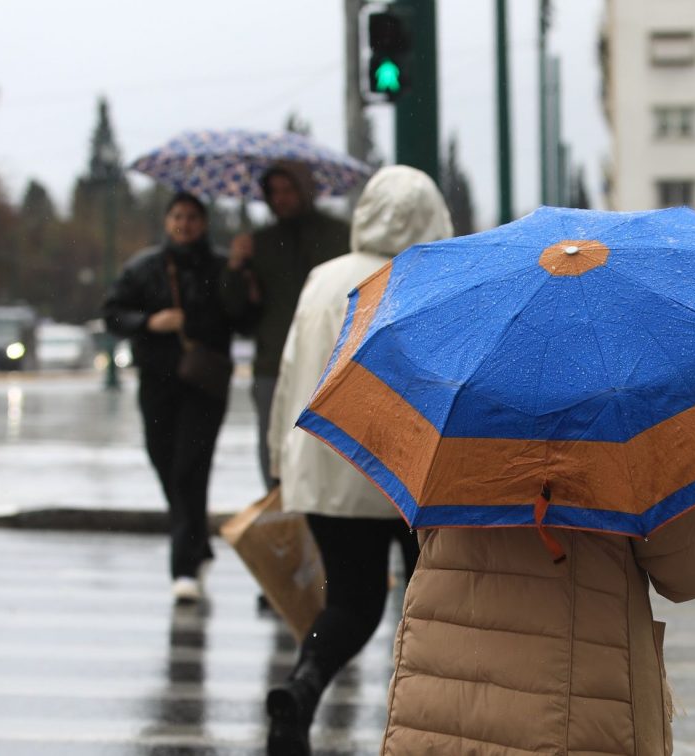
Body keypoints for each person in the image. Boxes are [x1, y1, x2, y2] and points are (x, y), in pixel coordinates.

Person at [263, 166, 453, 756]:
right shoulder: (432, 278)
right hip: (408, 473)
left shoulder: (324, 279)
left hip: (327, 465)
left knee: (350, 601)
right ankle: (428, 725)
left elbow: (292, 370)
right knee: (436, 605)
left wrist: (278, 457)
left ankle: (304, 683)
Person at [378, 502, 695, 755]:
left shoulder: (457, 419)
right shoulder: (627, 422)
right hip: (575, 715)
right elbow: (693, 573)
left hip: (439, 701)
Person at [103, 192, 241, 603]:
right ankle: (197, 544)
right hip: (157, 382)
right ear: (167, 221)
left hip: (204, 384)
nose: (185, 224)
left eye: (193, 217)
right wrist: (150, 321)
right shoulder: (144, 267)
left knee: (189, 469)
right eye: (178, 216)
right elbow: (113, 312)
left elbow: (241, 316)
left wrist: (237, 277)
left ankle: (184, 567)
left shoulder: (221, 267)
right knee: (164, 461)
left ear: (204, 223)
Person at [222, 161, 350, 492]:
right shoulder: (259, 244)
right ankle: (282, 518)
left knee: (331, 451)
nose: (280, 199)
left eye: (288, 190)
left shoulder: (339, 236)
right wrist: (237, 268)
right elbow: (239, 314)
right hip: (274, 363)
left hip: (331, 362)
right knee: (275, 446)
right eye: (273, 192)